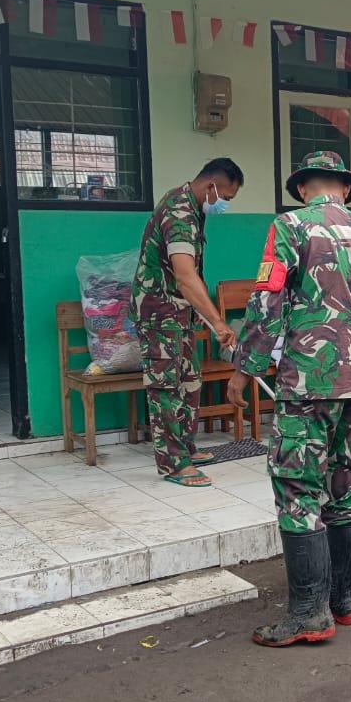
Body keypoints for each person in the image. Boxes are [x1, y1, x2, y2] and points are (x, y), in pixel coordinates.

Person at [228, 151, 351, 647]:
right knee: (349, 486)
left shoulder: (291, 226)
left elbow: (267, 299)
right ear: (345, 189)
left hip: (309, 383)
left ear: (302, 189)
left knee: (298, 489)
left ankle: (307, 614)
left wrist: (245, 368)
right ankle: (342, 601)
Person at [131, 158, 243, 488]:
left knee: (190, 381)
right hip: (159, 314)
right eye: (226, 197)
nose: (224, 205)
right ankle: (173, 463)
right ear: (211, 187)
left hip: (179, 314)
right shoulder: (179, 213)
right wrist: (218, 322)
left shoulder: (191, 206)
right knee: (166, 387)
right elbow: (184, 275)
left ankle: (186, 448)